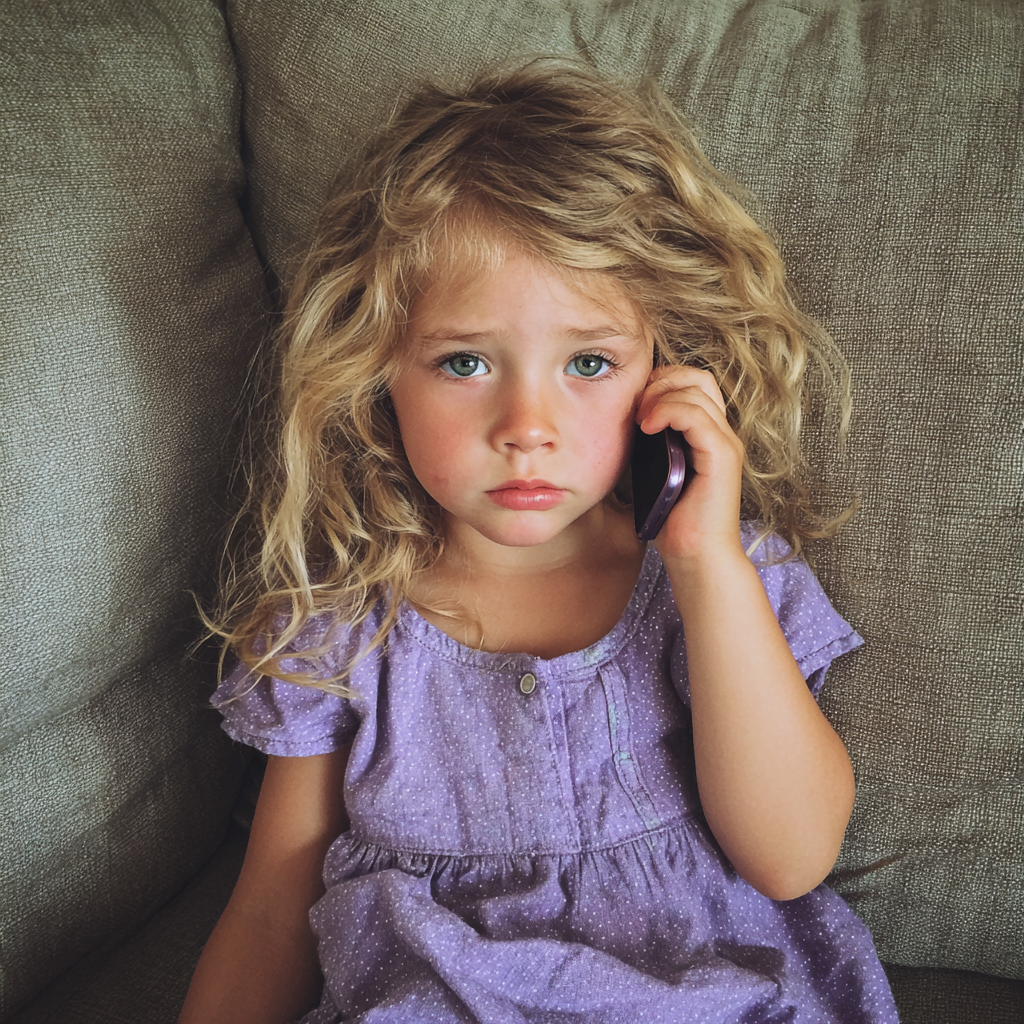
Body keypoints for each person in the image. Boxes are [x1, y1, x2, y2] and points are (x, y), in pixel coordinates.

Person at [179, 60, 899, 1024]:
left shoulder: (720, 578)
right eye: (465, 361)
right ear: (377, 367)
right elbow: (273, 909)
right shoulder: (341, 626)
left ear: (665, 369)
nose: (528, 423)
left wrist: (705, 566)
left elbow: (791, 855)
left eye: (589, 362)